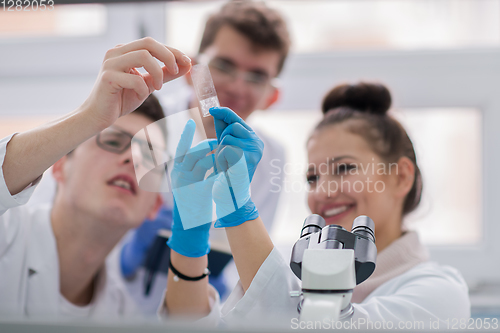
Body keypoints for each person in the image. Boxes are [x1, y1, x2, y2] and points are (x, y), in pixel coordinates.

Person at [165, 83, 471, 327]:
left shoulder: (439, 294)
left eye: (344, 168)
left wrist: (237, 207)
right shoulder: (297, 278)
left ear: (401, 176)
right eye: (313, 177)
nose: (322, 191)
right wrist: (188, 244)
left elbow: (308, 323)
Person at [0, 37, 195, 318]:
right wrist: (90, 117)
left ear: (154, 207)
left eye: (148, 158)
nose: (131, 159)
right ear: (58, 166)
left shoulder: (125, 318)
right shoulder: (7, 235)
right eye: (114, 141)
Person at [120, 0, 291, 306]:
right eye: (224, 66)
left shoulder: (271, 156)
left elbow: (251, 266)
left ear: (272, 95)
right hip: (121, 305)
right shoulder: (146, 126)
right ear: (192, 70)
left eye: (256, 77)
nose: (238, 85)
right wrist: (126, 253)